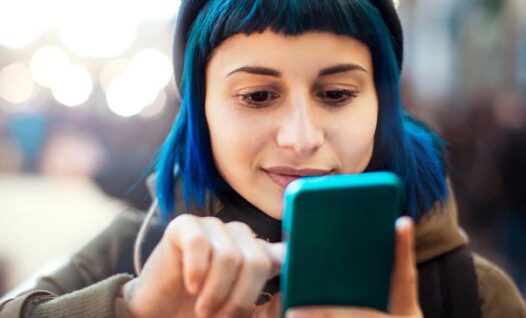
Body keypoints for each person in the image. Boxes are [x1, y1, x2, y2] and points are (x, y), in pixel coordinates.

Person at [1, 0, 525, 317]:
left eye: (337, 94)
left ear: (382, 105)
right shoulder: (128, 254)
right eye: (257, 96)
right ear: (200, 110)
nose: (301, 137)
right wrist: (132, 309)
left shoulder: (471, 292)